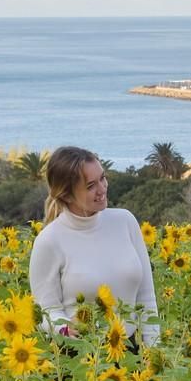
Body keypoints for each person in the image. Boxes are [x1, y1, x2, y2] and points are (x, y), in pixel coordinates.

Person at [29, 146, 160, 350]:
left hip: (132, 353)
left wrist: (153, 351)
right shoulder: (49, 241)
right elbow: (46, 309)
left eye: (102, 178)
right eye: (90, 186)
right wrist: (64, 328)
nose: (102, 188)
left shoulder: (125, 221)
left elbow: (146, 296)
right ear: (67, 196)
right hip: (80, 357)